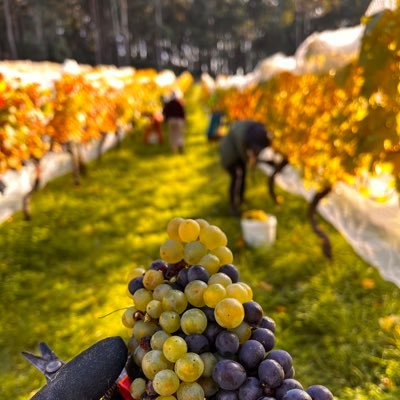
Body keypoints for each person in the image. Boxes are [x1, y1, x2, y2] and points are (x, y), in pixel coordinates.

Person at [219, 120, 271, 216]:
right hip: (229, 154)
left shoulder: (255, 132)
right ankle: (232, 206)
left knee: (242, 174)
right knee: (236, 176)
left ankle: (241, 200)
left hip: (236, 153)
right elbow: (243, 151)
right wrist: (250, 160)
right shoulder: (244, 136)